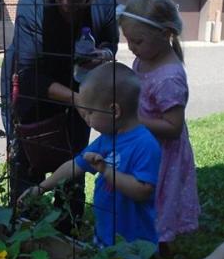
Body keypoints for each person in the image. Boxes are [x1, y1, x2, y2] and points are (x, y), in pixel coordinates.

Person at [1, 0, 119, 227]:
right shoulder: (32, 1)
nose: (67, 3)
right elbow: (29, 76)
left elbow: (111, 43)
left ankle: (69, 236)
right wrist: (78, 99)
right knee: (27, 170)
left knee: (74, 168)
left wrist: (104, 55)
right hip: (34, 96)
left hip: (81, 95)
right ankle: (26, 231)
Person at [18, 62, 161, 247]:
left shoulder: (146, 144)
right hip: (105, 236)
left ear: (114, 110)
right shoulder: (107, 139)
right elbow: (74, 165)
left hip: (136, 244)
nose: (86, 118)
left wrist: (106, 171)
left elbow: (143, 191)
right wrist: (41, 188)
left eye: (89, 113)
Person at [117, 0, 199, 254]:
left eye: (137, 41)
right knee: (142, 204)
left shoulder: (170, 78)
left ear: (165, 34)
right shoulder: (146, 58)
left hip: (163, 156)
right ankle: (140, 245)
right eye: (128, 40)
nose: (131, 48)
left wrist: (136, 119)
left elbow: (173, 128)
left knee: (158, 207)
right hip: (146, 148)